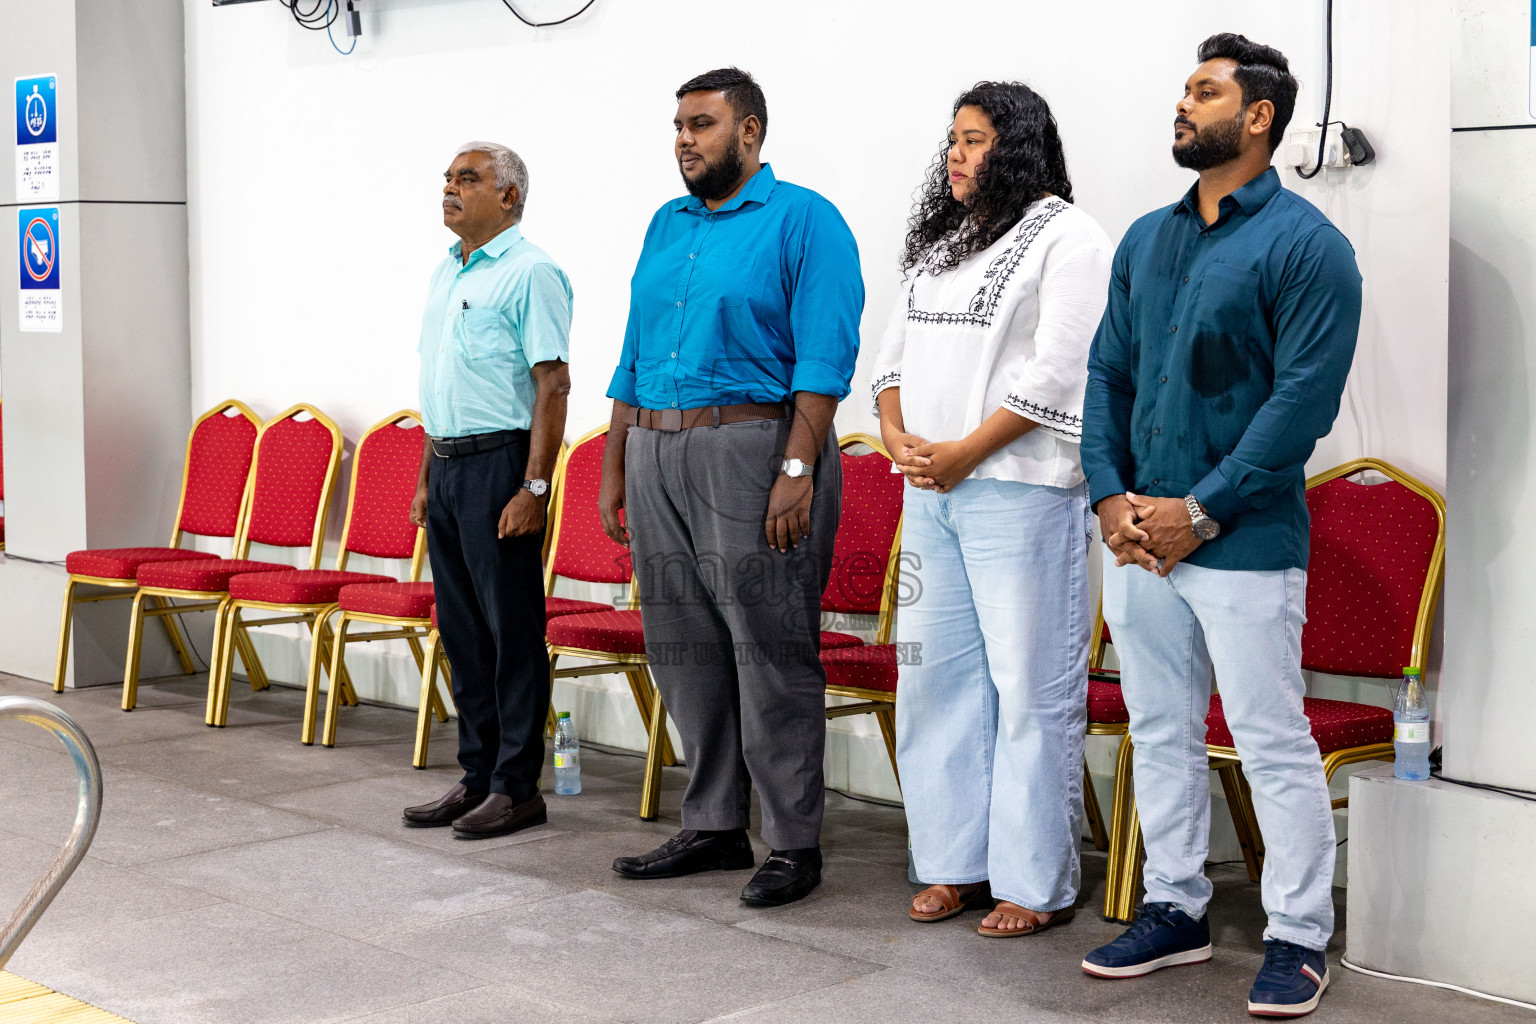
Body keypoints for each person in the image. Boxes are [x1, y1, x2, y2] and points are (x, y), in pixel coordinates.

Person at [1079, 35, 1361, 1018]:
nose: (1182, 104)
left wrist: (1199, 511)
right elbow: (1108, 374)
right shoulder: (1146, 241)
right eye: (1183, 89)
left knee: (1270, 739)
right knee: (1157, 728)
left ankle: (1296, 936)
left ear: (1257, 118)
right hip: (1139, 539)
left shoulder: (1307, 246)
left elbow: (1300, 407)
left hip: (1239, 543)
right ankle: (1176, 908)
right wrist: (1110, 496)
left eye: (1204, 92)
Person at [599, 68, 864, 906]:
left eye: (702, 124)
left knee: (769, 646)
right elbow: (632, 354)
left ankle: (792, 842)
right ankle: (714, 824)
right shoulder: (665, 224)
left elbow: (826, 353)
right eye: (678, 124)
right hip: (656, 449)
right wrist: (614, 462)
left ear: (749, 133)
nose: (685, 139)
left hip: (754, 448)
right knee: (683, 644)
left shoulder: (806, 220)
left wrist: (798, 465)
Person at [871, 82, 1110, 936]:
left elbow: (1060, 371)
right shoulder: (943, 243)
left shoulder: (1069, 237)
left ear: (1015, 148)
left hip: (1021, 489)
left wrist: (969, 449)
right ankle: (952, 864)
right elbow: (889, 358)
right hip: (930, 489)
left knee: (1030, 686)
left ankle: (1033, 881)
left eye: (974, 141)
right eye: (953, 142)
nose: (956, 156)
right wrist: (898, 436)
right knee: (933, 678)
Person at [401, 142, 573, 840]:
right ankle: (475, 776)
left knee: (511, 634)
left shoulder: (533, 274)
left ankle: (516, 786)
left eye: (465, 179)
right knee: (463, 634)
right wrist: (423, 479)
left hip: (502, 468)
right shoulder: (448, 272)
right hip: (446, 468)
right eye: (445, 177)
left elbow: (552, 385)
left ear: (507, 197)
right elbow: (440, 386)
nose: (448, 188)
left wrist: (535, 486)